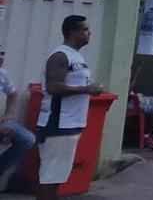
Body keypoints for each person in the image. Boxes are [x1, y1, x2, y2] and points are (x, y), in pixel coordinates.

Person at [36, 15, 104, 200]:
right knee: (49, 176)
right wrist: (86, 89)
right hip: (58, 123)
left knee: (57, 176)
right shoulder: (60, 55)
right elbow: (53, 87)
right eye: (85, 29)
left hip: (71, 124)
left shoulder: (77, 56)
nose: (89, 33)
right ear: (72, 32)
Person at [0, 47, 35, 179]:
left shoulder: (2, 74)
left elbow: (13, 94)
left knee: (27, 139)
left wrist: (9, 116)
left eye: (2, 54)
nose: (1, 58)